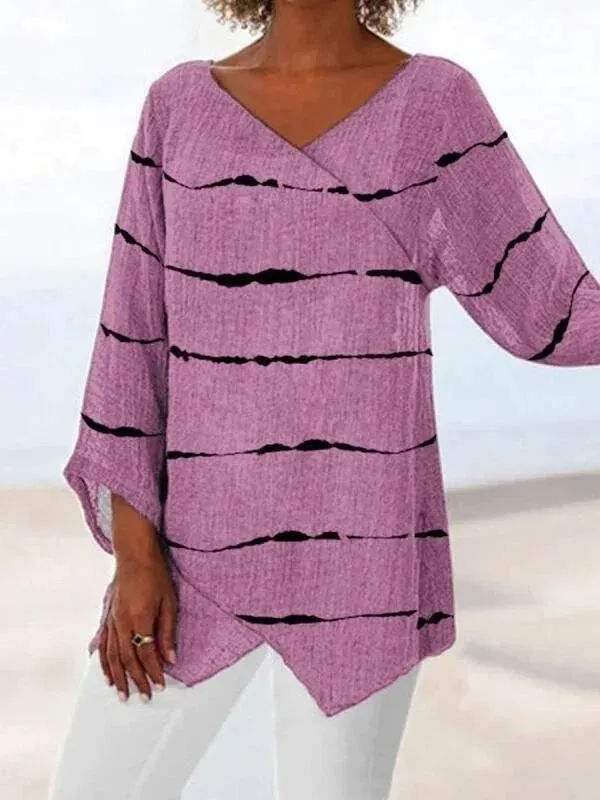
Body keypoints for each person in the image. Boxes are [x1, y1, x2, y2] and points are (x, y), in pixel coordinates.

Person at [50, 0, 600, 797]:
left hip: (363, 562)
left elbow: (552, 307)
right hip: (195, 559)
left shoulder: (436, 105)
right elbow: (131, 342)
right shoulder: (177, 107)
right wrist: (137, 559)